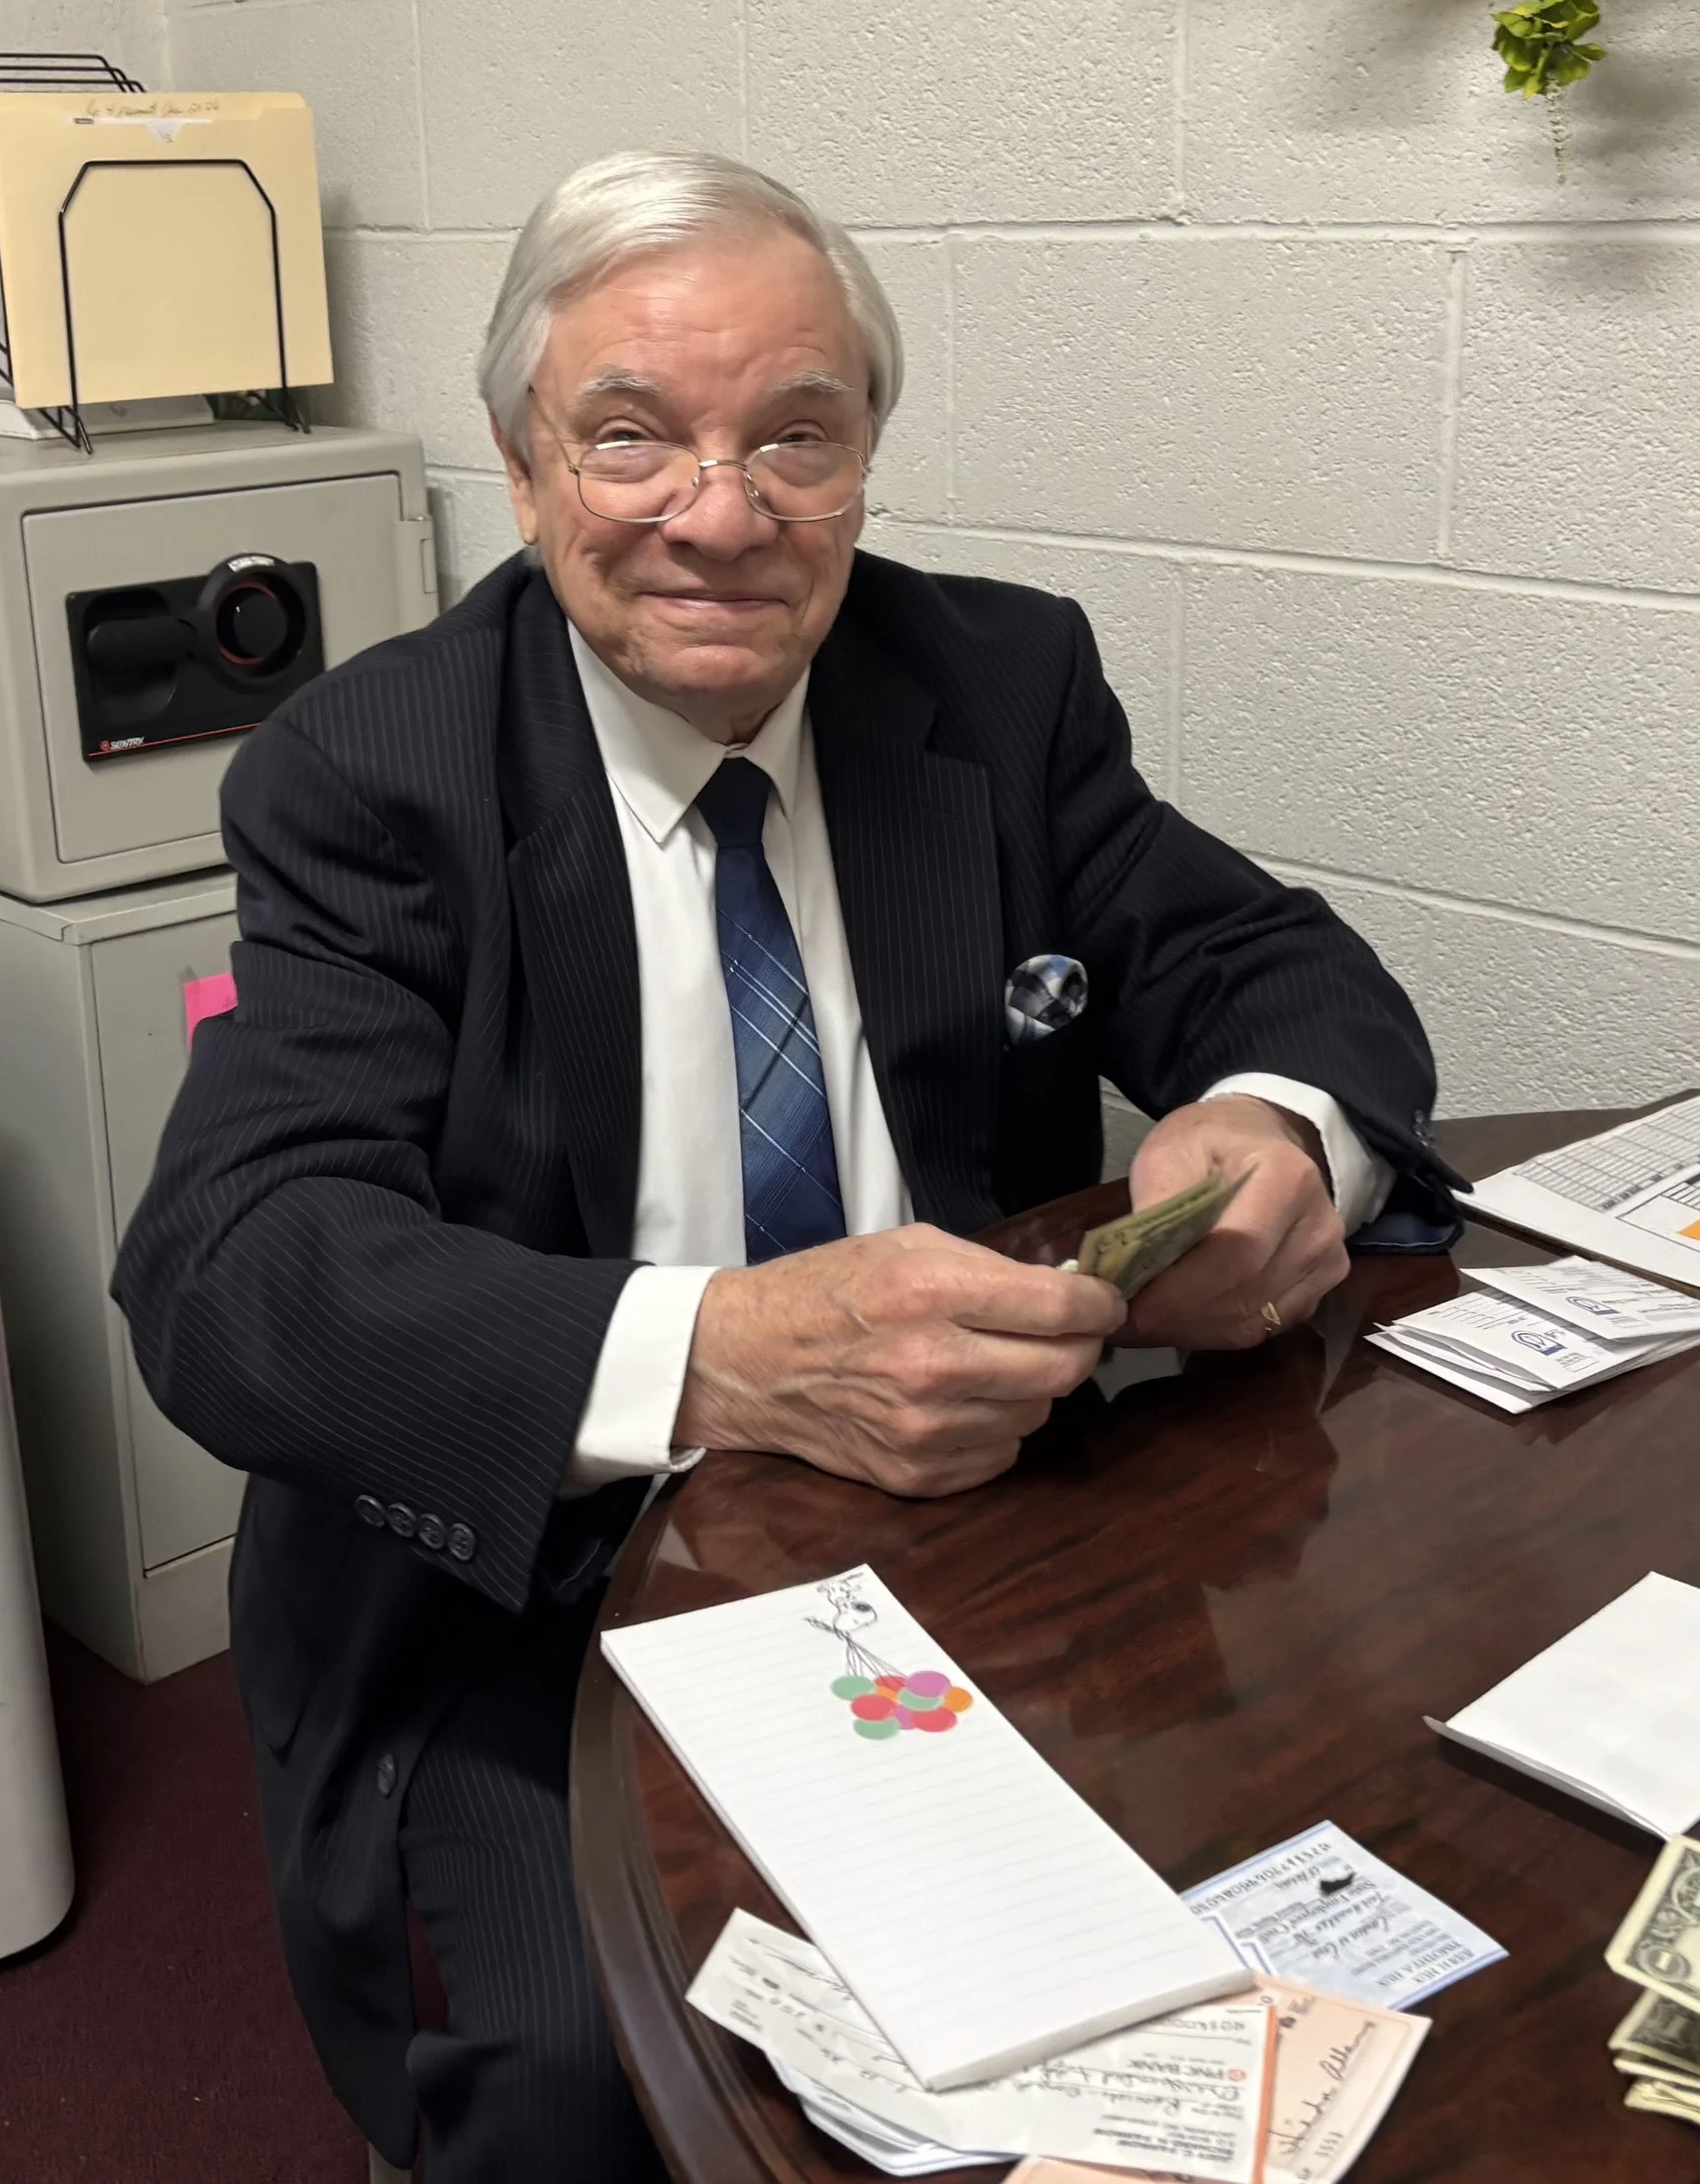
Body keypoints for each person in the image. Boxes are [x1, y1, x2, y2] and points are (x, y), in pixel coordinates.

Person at [113, 152, 1453, 2183]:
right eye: (632, 436)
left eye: (794, 438)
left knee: (1297, 1897)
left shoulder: (990, 690)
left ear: (863, 462)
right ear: (518, 457)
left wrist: (1271, 1128)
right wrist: (725, 1355)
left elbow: (1265, 962)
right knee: (588, 2094)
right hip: (536, 1599)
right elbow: (232, 1269)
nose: (719, 514)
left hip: (982, 1525)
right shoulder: (368, 774)